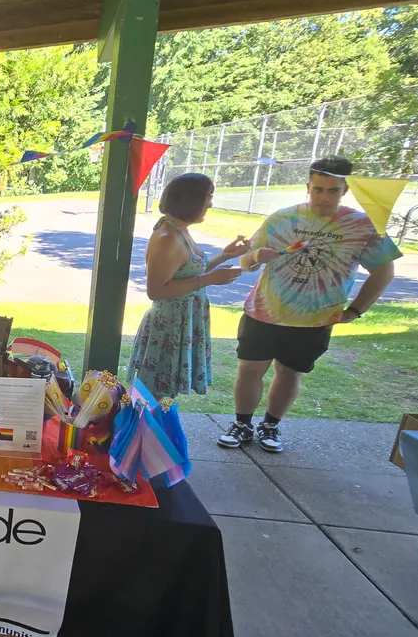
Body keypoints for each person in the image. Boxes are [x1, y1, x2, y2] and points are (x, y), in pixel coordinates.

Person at [218, 158, 400, 452]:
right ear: (308, 187)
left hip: (315, 319)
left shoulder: (362, 227)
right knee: (249, 370)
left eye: (332, 191)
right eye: (317, 190)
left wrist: (355, 311)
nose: (323, 198)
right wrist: (254, 257)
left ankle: (270, 427)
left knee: (289, 373)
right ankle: (241, 425)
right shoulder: (282, 219)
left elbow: (384, 273)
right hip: (264, 312)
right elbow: (245, 262)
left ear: (345, 190)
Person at [127, 173, 247, 399]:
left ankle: (151, 431)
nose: (210, 204)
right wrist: (209, 279)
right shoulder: (167, 236)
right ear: (191, 200)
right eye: (208, 197)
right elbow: (157, 291)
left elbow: (186, 271)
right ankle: (138, 432)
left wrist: (223, 256)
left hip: (183, 319)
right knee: (151, 395)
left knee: (160, 395)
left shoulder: (178, 228)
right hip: (170, 324)